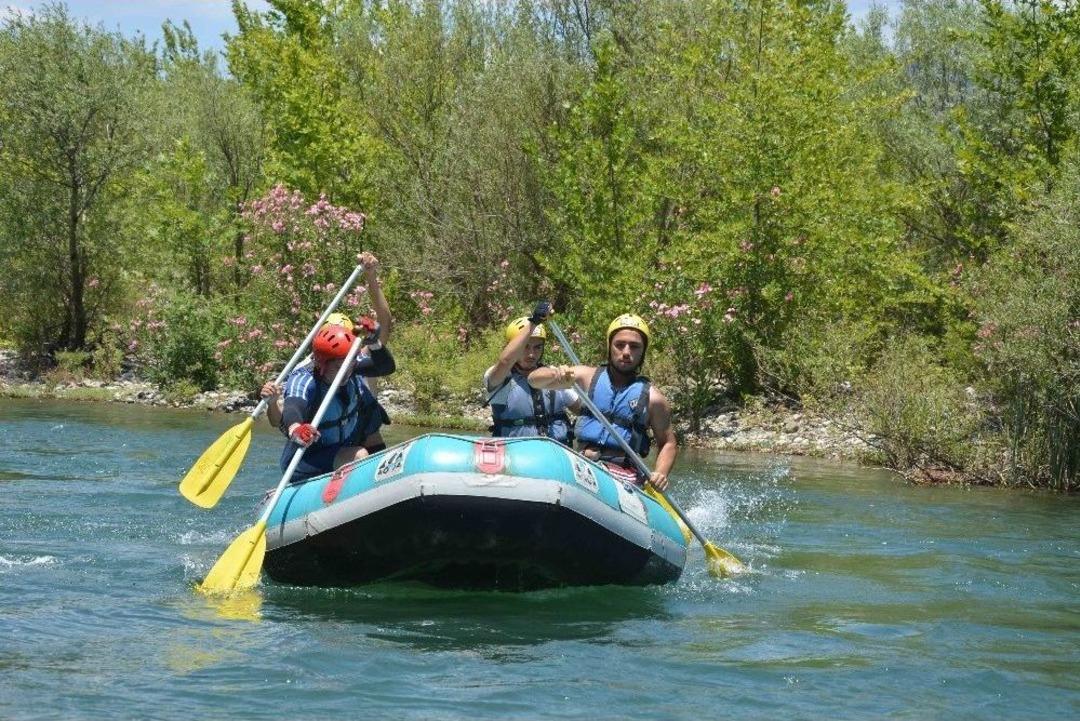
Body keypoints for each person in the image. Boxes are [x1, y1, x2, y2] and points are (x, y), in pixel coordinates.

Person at [527, 313, 677, 491]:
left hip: (624, 474)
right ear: (609, 347)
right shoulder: (586, 376)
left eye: (634, 347)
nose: (626, 352)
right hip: (583, 463)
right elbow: (533, 380)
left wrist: (660, 473)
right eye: (620, 345)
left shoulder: (654, 399)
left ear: (643, 352)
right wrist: (555, 374)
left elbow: (668, 443)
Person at [263, 251, 393, 444]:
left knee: (368, 423)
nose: (346, 363)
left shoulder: (357, 356)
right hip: (324, 440)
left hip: (358, 431)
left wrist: (371, 275)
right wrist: (289, 421)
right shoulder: (305, 373)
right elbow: (283, 415)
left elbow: (385, 324)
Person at [274, 321, 395, 482]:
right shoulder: (304, 379)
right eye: (339, 368)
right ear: (321, 364)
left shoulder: (347, 365)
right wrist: (296, 428)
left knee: (371, 430)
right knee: (360, 455)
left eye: (350, 364)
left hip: (341, 449)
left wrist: (374, 343)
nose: (346, 372)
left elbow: (386, 367)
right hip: (306, 459)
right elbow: (293, 406)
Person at [483, 301, 579, 445]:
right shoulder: (498, 377)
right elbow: (505, 361)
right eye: (525, 347)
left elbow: (583, 411)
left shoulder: (554, 374)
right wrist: (534, 323)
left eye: (537, 347)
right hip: (516, 456)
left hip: (555, 455)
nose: (531, 354)